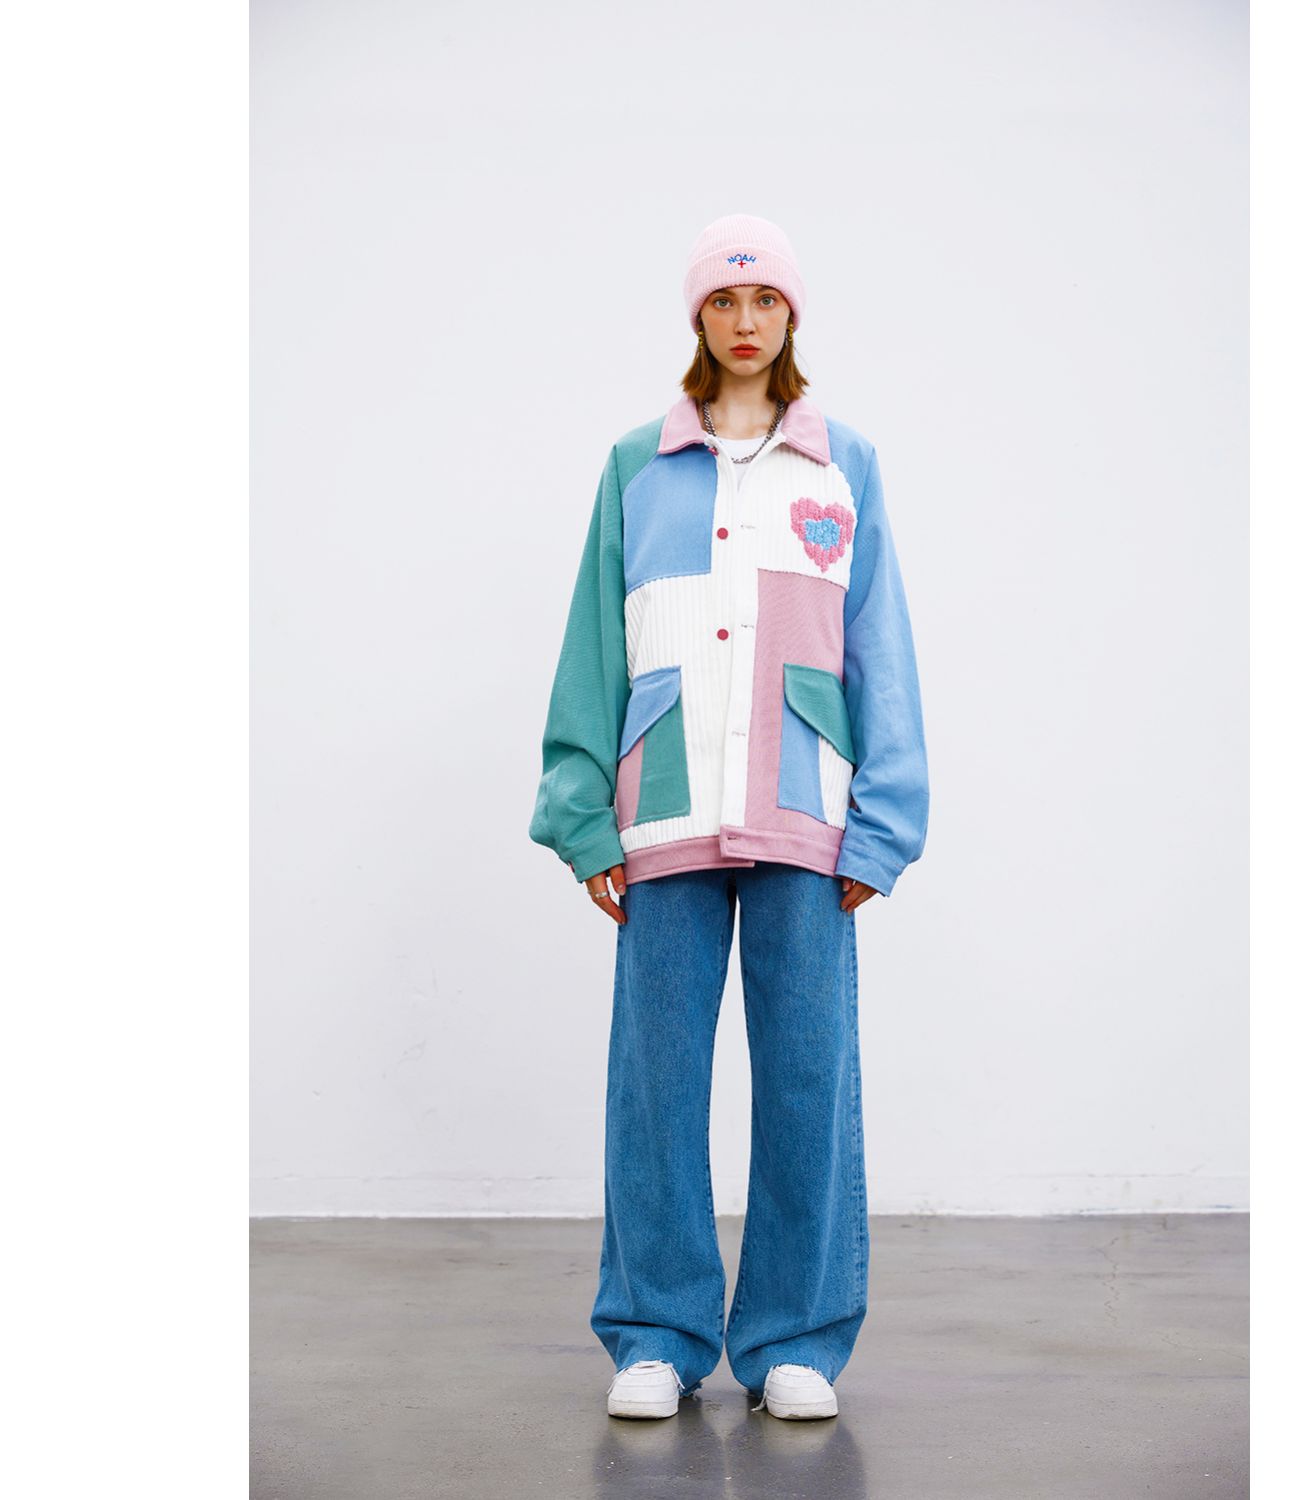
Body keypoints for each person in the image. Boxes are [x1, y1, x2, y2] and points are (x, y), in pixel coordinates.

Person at [529, 213, 930, 1421]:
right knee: (655, 1083)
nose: (745, 322)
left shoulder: (844, 465)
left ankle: (795, 1340)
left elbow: (880, 648)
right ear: (697, 318)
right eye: (722, 301)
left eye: (764, 301)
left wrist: (884, 824)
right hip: (663, 815)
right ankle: (657, 1333)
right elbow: (596, 645)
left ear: (790, 315)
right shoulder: (635, 467)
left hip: (807, 813)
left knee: (809, 1078)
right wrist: (582, 814)